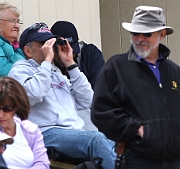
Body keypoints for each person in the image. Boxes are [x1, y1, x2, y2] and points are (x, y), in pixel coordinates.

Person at [91, 6, 180, 169]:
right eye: (135, 33)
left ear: (161, 34)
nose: (140, 38)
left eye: (147, 34)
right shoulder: (116, 67)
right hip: (136, 160)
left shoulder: (176, 73)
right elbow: (100, 112)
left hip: (174, 163)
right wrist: (138, 130)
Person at [8, 23, 115, 167]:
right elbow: (33, 94)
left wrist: (70, 64)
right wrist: (46, 62)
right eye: (43, 43)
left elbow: (88, 100)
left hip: (73, 132)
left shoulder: (56, 73)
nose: (49, 47)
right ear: (28, 50)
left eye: (50, 42)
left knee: (120, 139)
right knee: (96, 140)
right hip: (44, 132)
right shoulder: (20, 70)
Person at [50, 21, 105, 89]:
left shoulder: (90, 53)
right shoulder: (46, 63)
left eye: (72, 51)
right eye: (63, 51)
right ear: (52, 47)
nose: (69, 55)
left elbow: (99, 90)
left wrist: (71, 66)